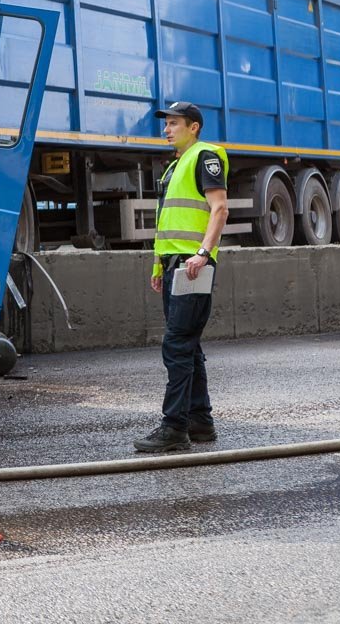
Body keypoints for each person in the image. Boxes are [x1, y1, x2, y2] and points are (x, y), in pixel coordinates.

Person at [134, 100, 229, 453]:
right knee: (188, 344)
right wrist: (158, 265)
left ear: (194, 127)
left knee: (176, 343)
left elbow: (220, 209)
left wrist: (203, 253)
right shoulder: (174, 166)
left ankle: (174, 427)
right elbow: (168, 221)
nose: (167, 129)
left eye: (174, 123)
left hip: (193, 265)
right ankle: (200, 421)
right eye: (167, 123)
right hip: (175, 264)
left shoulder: (205, 156)